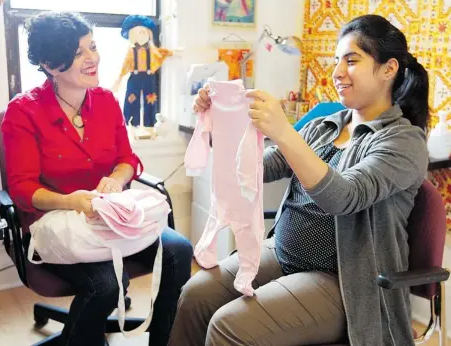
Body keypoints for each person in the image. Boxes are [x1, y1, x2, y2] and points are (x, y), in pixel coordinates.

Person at [167, 14, 429, 346]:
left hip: (344, 280)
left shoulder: (402, 142)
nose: (336, 73)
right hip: (284, 253)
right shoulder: (327, 124)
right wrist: (222, 118)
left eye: (352, 61)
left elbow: (343, 197)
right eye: (336, 61)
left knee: (228, 326)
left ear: (388, 69)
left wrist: (283, 132)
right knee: (195, 296)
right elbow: (255, 170)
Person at [1, 12, 193, 346]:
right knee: (106, 284)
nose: (92, 59)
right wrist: (71, 201)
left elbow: (127, 160)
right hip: (57, 225)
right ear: (50, 63)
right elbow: (22, 188)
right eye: (78, 54)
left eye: (92, 47)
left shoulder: (106, 102)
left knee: (178, 250)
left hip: (111, 220)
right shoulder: (24, 112)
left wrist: (117, 180)